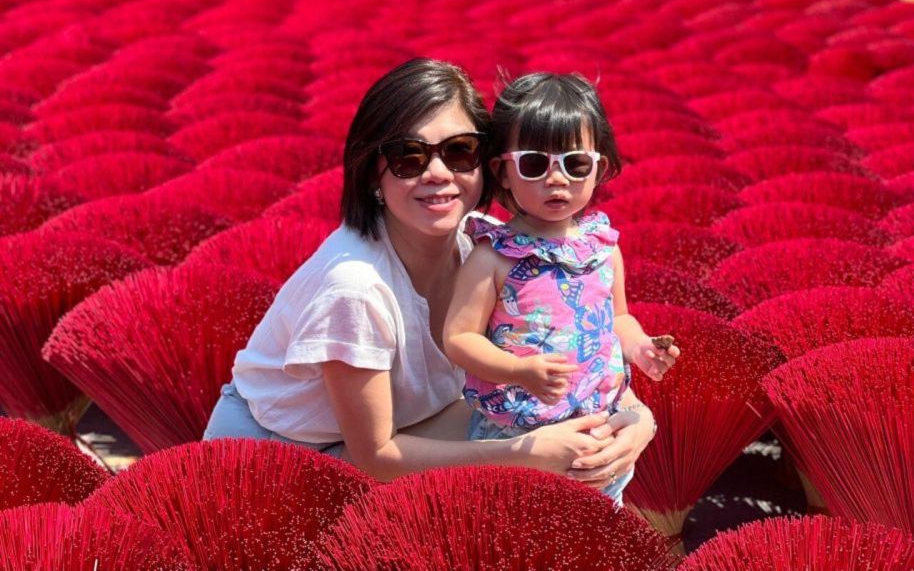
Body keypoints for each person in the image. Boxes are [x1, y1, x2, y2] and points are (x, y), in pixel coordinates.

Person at [204, 58, 658, 491]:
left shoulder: (495, 250)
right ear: (371, 175)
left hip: (408, 430)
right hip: (280, 461)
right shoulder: (355, 291)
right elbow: (374, 455)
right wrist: (525, 452)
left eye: (460, 151)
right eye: (409, 157)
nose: (438, 173)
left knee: (566, 435)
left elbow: (590, 346)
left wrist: (638, 422)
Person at [444, 72, 680, 505]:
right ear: (503, 172)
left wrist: (641, 349)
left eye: (576, 164)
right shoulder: (494, 255)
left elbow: (619, 319)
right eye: (535, 164)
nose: (558, 179)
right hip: (517, 434)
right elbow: (459, 338)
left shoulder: (603, 249)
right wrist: (519, 371)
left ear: (599, 169)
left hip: (596, 428)